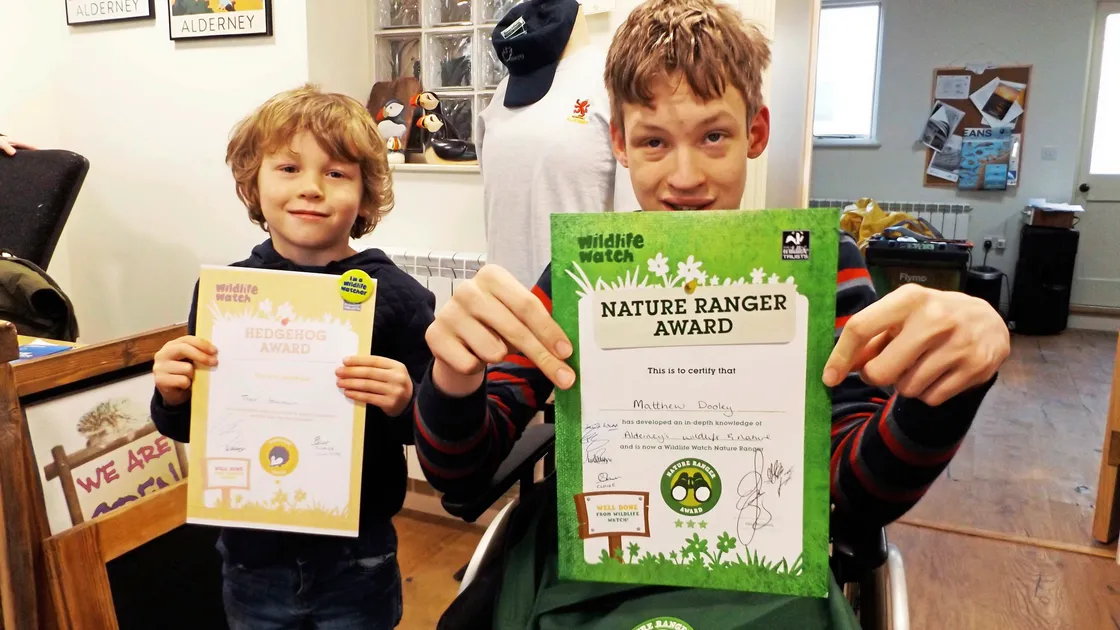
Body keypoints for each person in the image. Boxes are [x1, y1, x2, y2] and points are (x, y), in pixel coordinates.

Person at [414, 0, 1010, 627]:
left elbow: (861, 496)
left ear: (756, 132)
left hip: (762, 578)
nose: (686, 176)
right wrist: (454, 380)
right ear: (619, 141)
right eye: (653, 141)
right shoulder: (582, 279)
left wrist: (945, 387)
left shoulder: (818, 267)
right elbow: (461, 470)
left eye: (714, 136)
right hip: (590, 565)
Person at [150, 84, 435, 630]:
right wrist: (171, 391)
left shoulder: (396, 296)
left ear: (366, 197)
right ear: (251, 185)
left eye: (336, 173)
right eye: (287, 168)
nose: (311, 189)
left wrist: (407, 399)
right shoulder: (228, 293)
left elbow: (436, 427)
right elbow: (189, 425)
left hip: (358, 555)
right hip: (251, 557)